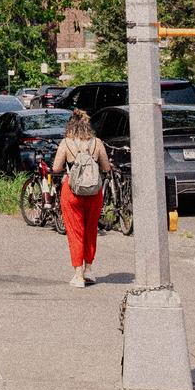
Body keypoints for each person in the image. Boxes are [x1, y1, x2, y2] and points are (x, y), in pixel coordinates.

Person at [51, 109, 111, 287]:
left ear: (70, 126)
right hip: (93, 192)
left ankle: (78, 275)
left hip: (72, 192)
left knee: (75, 231)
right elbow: (106, 168)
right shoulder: (97, 143)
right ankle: (89, 270)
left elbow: (56, 167)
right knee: (91, 229)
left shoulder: (66, 143)